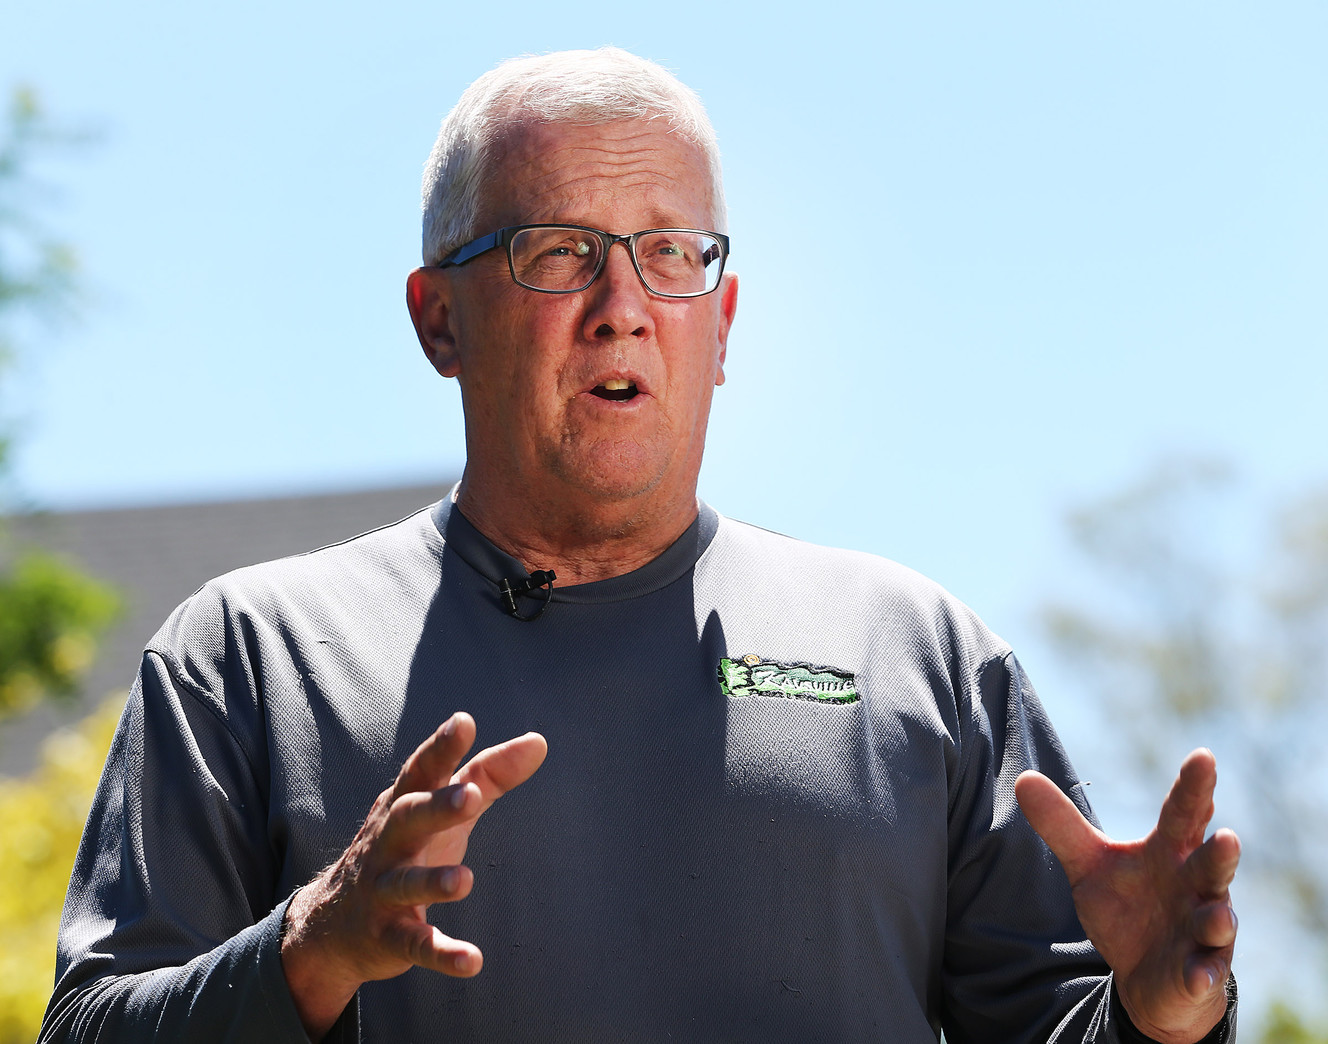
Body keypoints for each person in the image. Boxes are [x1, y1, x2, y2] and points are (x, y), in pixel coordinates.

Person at [41, 48, 1239, 1043]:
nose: (622, 302)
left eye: (670, 253)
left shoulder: (915, 655)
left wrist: (1162, 1016)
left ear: (720, 325)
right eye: (556, 250)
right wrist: (307, 949)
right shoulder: (255, 657)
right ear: (437, 318)